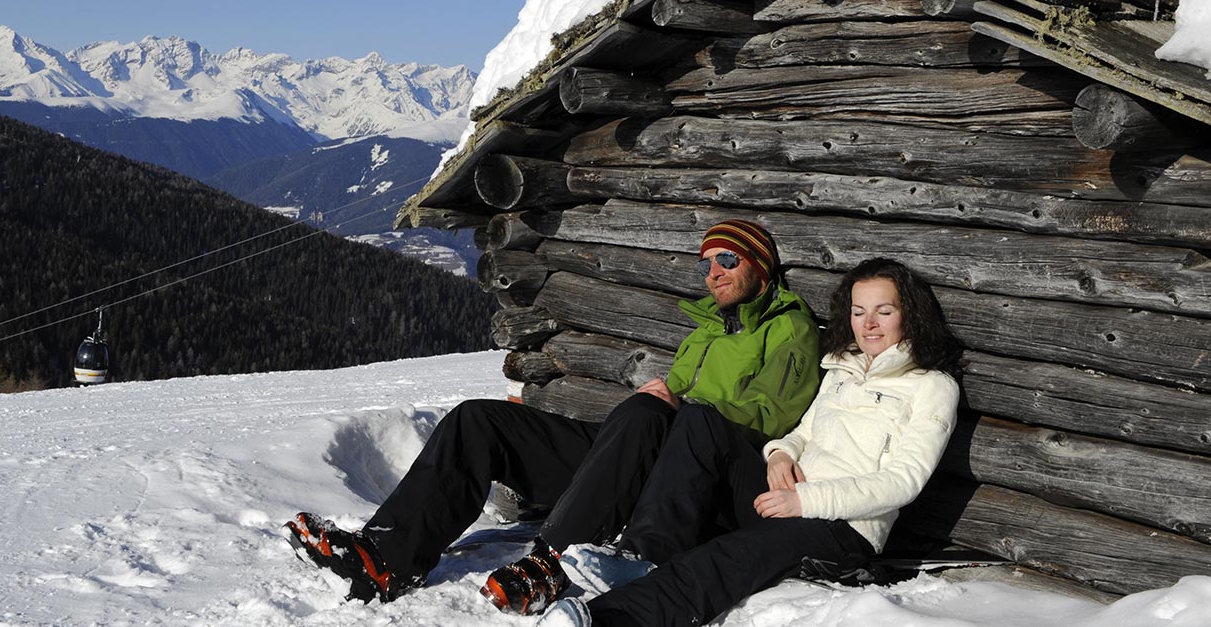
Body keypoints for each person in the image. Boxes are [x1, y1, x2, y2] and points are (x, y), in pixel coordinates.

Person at [284, 219, 823, 614]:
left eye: (727, 260)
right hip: (637, 461)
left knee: (642, 412)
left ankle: (552, 560)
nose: (713, 274)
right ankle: (384, 554)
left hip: (699, 484)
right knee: (480, 421)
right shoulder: (707, 328)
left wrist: (681, 405)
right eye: (705, 263)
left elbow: (772, 413)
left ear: (761, 266)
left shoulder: (788, 328)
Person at [540, 257, 965, 627]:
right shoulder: (842, 368)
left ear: (909, 313)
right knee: (700, 419)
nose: (868, 324)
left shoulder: (932, 386)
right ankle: (644, 555)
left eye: (883, 311)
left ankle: (612, 618)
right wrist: (780, 454)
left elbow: (902, 483)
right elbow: (803, 433)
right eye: (858, 312)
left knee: (725, 557)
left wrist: (807, 502)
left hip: (843, 530)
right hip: (786, 497)